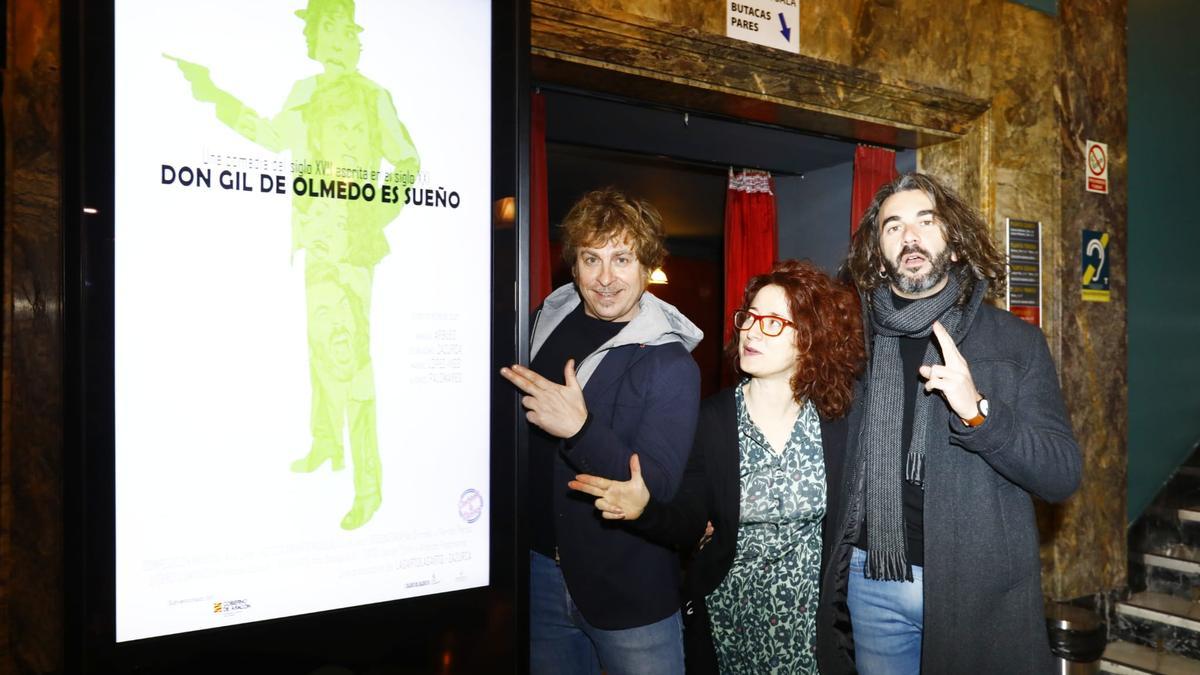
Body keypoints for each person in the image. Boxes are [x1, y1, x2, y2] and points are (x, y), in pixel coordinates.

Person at [168, 0, 420, 530]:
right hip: (314, 240)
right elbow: (269, 136)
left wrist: (373, 213)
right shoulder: (304, 93)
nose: (354, 37)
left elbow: (407, 162)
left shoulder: (375, 96)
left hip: (351, 246)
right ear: (323, 35)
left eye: (354, 29)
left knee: (353, 360)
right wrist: (211, 92)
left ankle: (369, 488)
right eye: (343, 28)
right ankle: (326, 443)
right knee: (317, 343)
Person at [819, 172, 1082, 674]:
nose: (909, 236)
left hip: (976, 589)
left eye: (926, 221)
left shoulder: (1015, 344)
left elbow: (1061, 474)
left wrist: (978, 413)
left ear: (956, 245)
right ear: (878, 254)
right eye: (892, 227)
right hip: (873, 579)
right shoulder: (851, 342)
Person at [569, 260, 865, 674]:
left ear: (810, 338)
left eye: (774, 322)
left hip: (814, 630)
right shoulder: (712, 420)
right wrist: (645, 509)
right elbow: (690, 518)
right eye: (749, 318)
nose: (752, 331)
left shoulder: (838, 422)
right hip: (731, 622)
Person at [500, 188, 703, 675]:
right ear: (574, 266)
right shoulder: (543, 323)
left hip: (628, 590)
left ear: (646, 266)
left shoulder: (669, 361)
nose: (606, 278)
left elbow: (652, 486)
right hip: (538, 575)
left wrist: (580, 429)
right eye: (592, 259)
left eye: (622, 259)